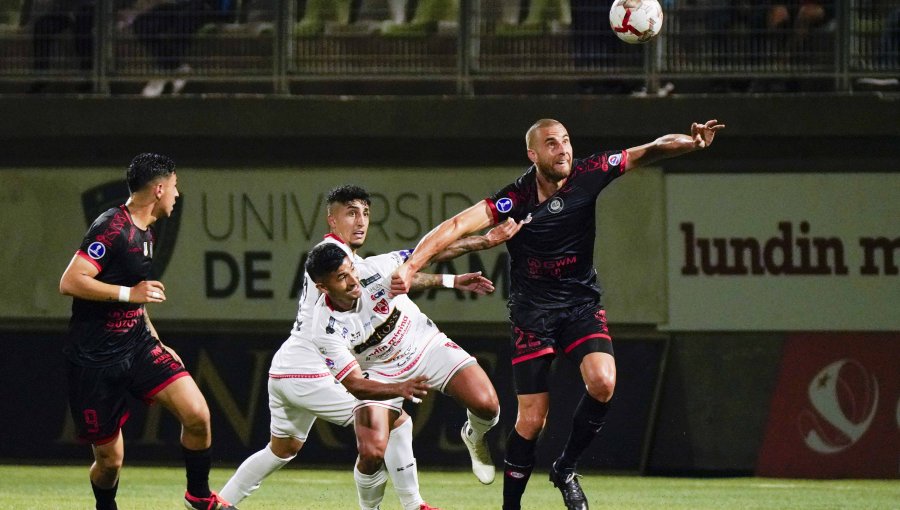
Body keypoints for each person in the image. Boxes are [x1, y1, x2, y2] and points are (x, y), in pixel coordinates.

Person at [390, 118, 725, 510]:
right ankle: (510, 507)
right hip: (533, 314)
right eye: (552, 144)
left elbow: (649, 149)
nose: (563, 149)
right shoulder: (514, 199)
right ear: (533, 155)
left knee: (603, 382)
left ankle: (565, 469)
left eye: (566, 141)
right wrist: (412, 266)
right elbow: (454, 226)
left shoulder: (591, 172)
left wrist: (692, 143)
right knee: (531, 422)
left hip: (581, 304)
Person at [219, 185, 521, 510]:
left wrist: (450, 278)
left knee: (283, 448)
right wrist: (484, 241)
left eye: (365, 212)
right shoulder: (332, 269)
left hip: (299, 366)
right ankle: (410, 504)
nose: (361, 221)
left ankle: (220, 502)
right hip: (315, 368)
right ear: (331, 220)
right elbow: (355, 380)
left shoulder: (356, 264)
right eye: (351, 213)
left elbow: (406, 270)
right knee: (388, 431)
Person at [58, 153, 237, 510]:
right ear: (158, 189)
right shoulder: (111, 227)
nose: (177, 194)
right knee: (110, 462)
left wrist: (157, 341)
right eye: (174, 186)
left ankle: (198, 496)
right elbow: (70, 281)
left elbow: (135, 298)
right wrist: (129, 294)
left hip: (137, 345)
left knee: (198, 414)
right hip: (95, 359)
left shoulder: (147, 232)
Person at [304, 237, 502, 510]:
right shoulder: (324, 328)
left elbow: (430, 252)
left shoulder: (375, 268)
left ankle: (474, 435)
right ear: (322, 287)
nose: (353, 280)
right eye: (341, 277)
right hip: (379, 372)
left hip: (425, 343)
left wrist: (475, 252)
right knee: (372, 452)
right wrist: (399, 389)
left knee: (487, 406)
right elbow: (355, 384)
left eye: (351, 269)